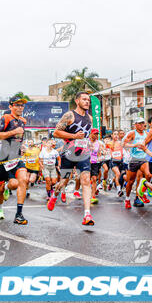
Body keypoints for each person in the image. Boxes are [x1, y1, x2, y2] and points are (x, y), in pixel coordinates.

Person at [48, 92, 95, 225]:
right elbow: (56, 132)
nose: (87, 102)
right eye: (84, 99)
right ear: (77, 101)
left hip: (83, 153)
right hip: (68, 153)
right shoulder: (70, 115)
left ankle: (87, 214)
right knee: (64, 181)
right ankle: (54, 195)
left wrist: (89, 143)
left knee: (86, 180)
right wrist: (74, 136)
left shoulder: (90, 118)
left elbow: (85, 135)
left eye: (88, 100)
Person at [0, 95, 29, 224]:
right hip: (3, 159)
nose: (20, 107)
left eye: (22, 105)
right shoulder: (6, 118)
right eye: (17, 105)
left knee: (21, 181)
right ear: (11, 106)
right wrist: (14, 132)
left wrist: (22, 147)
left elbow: (18, 139)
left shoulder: (23, 121)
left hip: (16, 158)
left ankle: (19, 214)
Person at [122, 117, 149, 210]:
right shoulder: (132, 133)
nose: (142, 125)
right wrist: (134, 145)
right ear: (135, 125)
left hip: (143, 158)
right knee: (130, 181)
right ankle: (127, 199)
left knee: (147, 175)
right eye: (139, 123)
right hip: (133, 159)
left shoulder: (147, 134)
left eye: (143, 123)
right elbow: (124, 144)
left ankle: (140, 194)